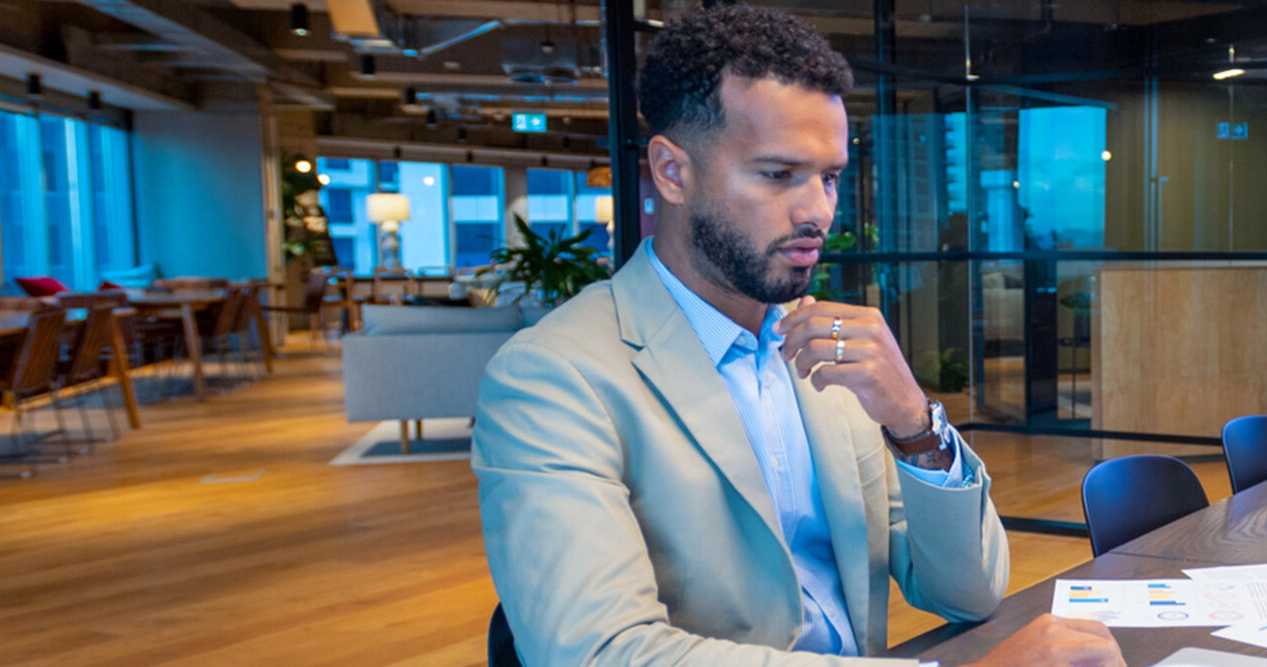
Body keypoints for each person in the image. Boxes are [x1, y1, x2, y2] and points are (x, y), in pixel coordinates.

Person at [472, 4, 1125, 666]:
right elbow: (597, 652)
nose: (819, 210)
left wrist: (914, 425)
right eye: (778, 174)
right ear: (672, 172)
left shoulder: (827, 352)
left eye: (830, 176)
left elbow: (970, 591)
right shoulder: (552, 376)